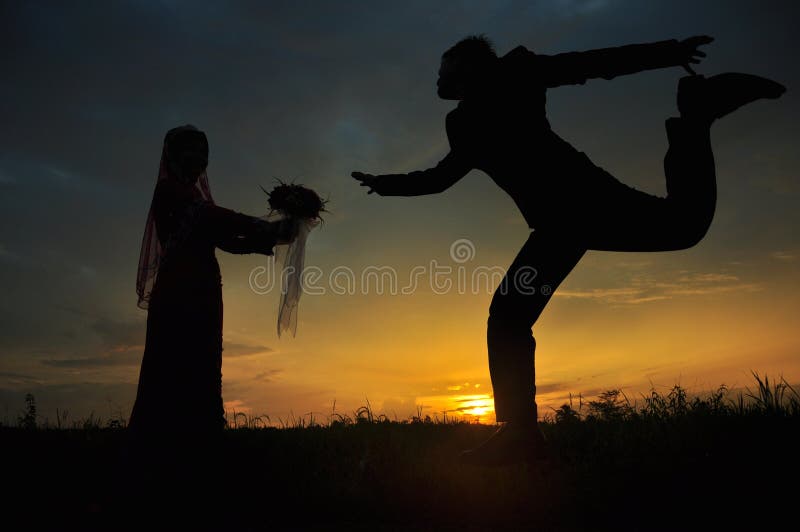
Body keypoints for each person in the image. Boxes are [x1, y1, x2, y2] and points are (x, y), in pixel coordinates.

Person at [352, 35, 785, 466]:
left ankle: (697, 114)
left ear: (472, 72)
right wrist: (387, 184)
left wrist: (667, 52)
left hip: (587, 199)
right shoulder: (462, 124)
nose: (438, 81)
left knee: (683, 225)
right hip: (558, 226)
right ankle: (520, 434)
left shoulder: (518, 75)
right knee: (508, 315)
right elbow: (440, 177)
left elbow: (592, 63)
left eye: (445, 73)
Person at [128, 125, 294, 488]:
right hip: (177, 295)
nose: (196, 159)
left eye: (201, 153)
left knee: (204, 367)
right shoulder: (170, 191)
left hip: (205, 293)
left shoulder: (195, 197)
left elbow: (224, 239)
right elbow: (214, 221)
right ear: (172, 156)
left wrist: (268, 238)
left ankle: (199, 459)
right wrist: (265, 227)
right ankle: (161, 465)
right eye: (188, 151)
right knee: (172, 367)